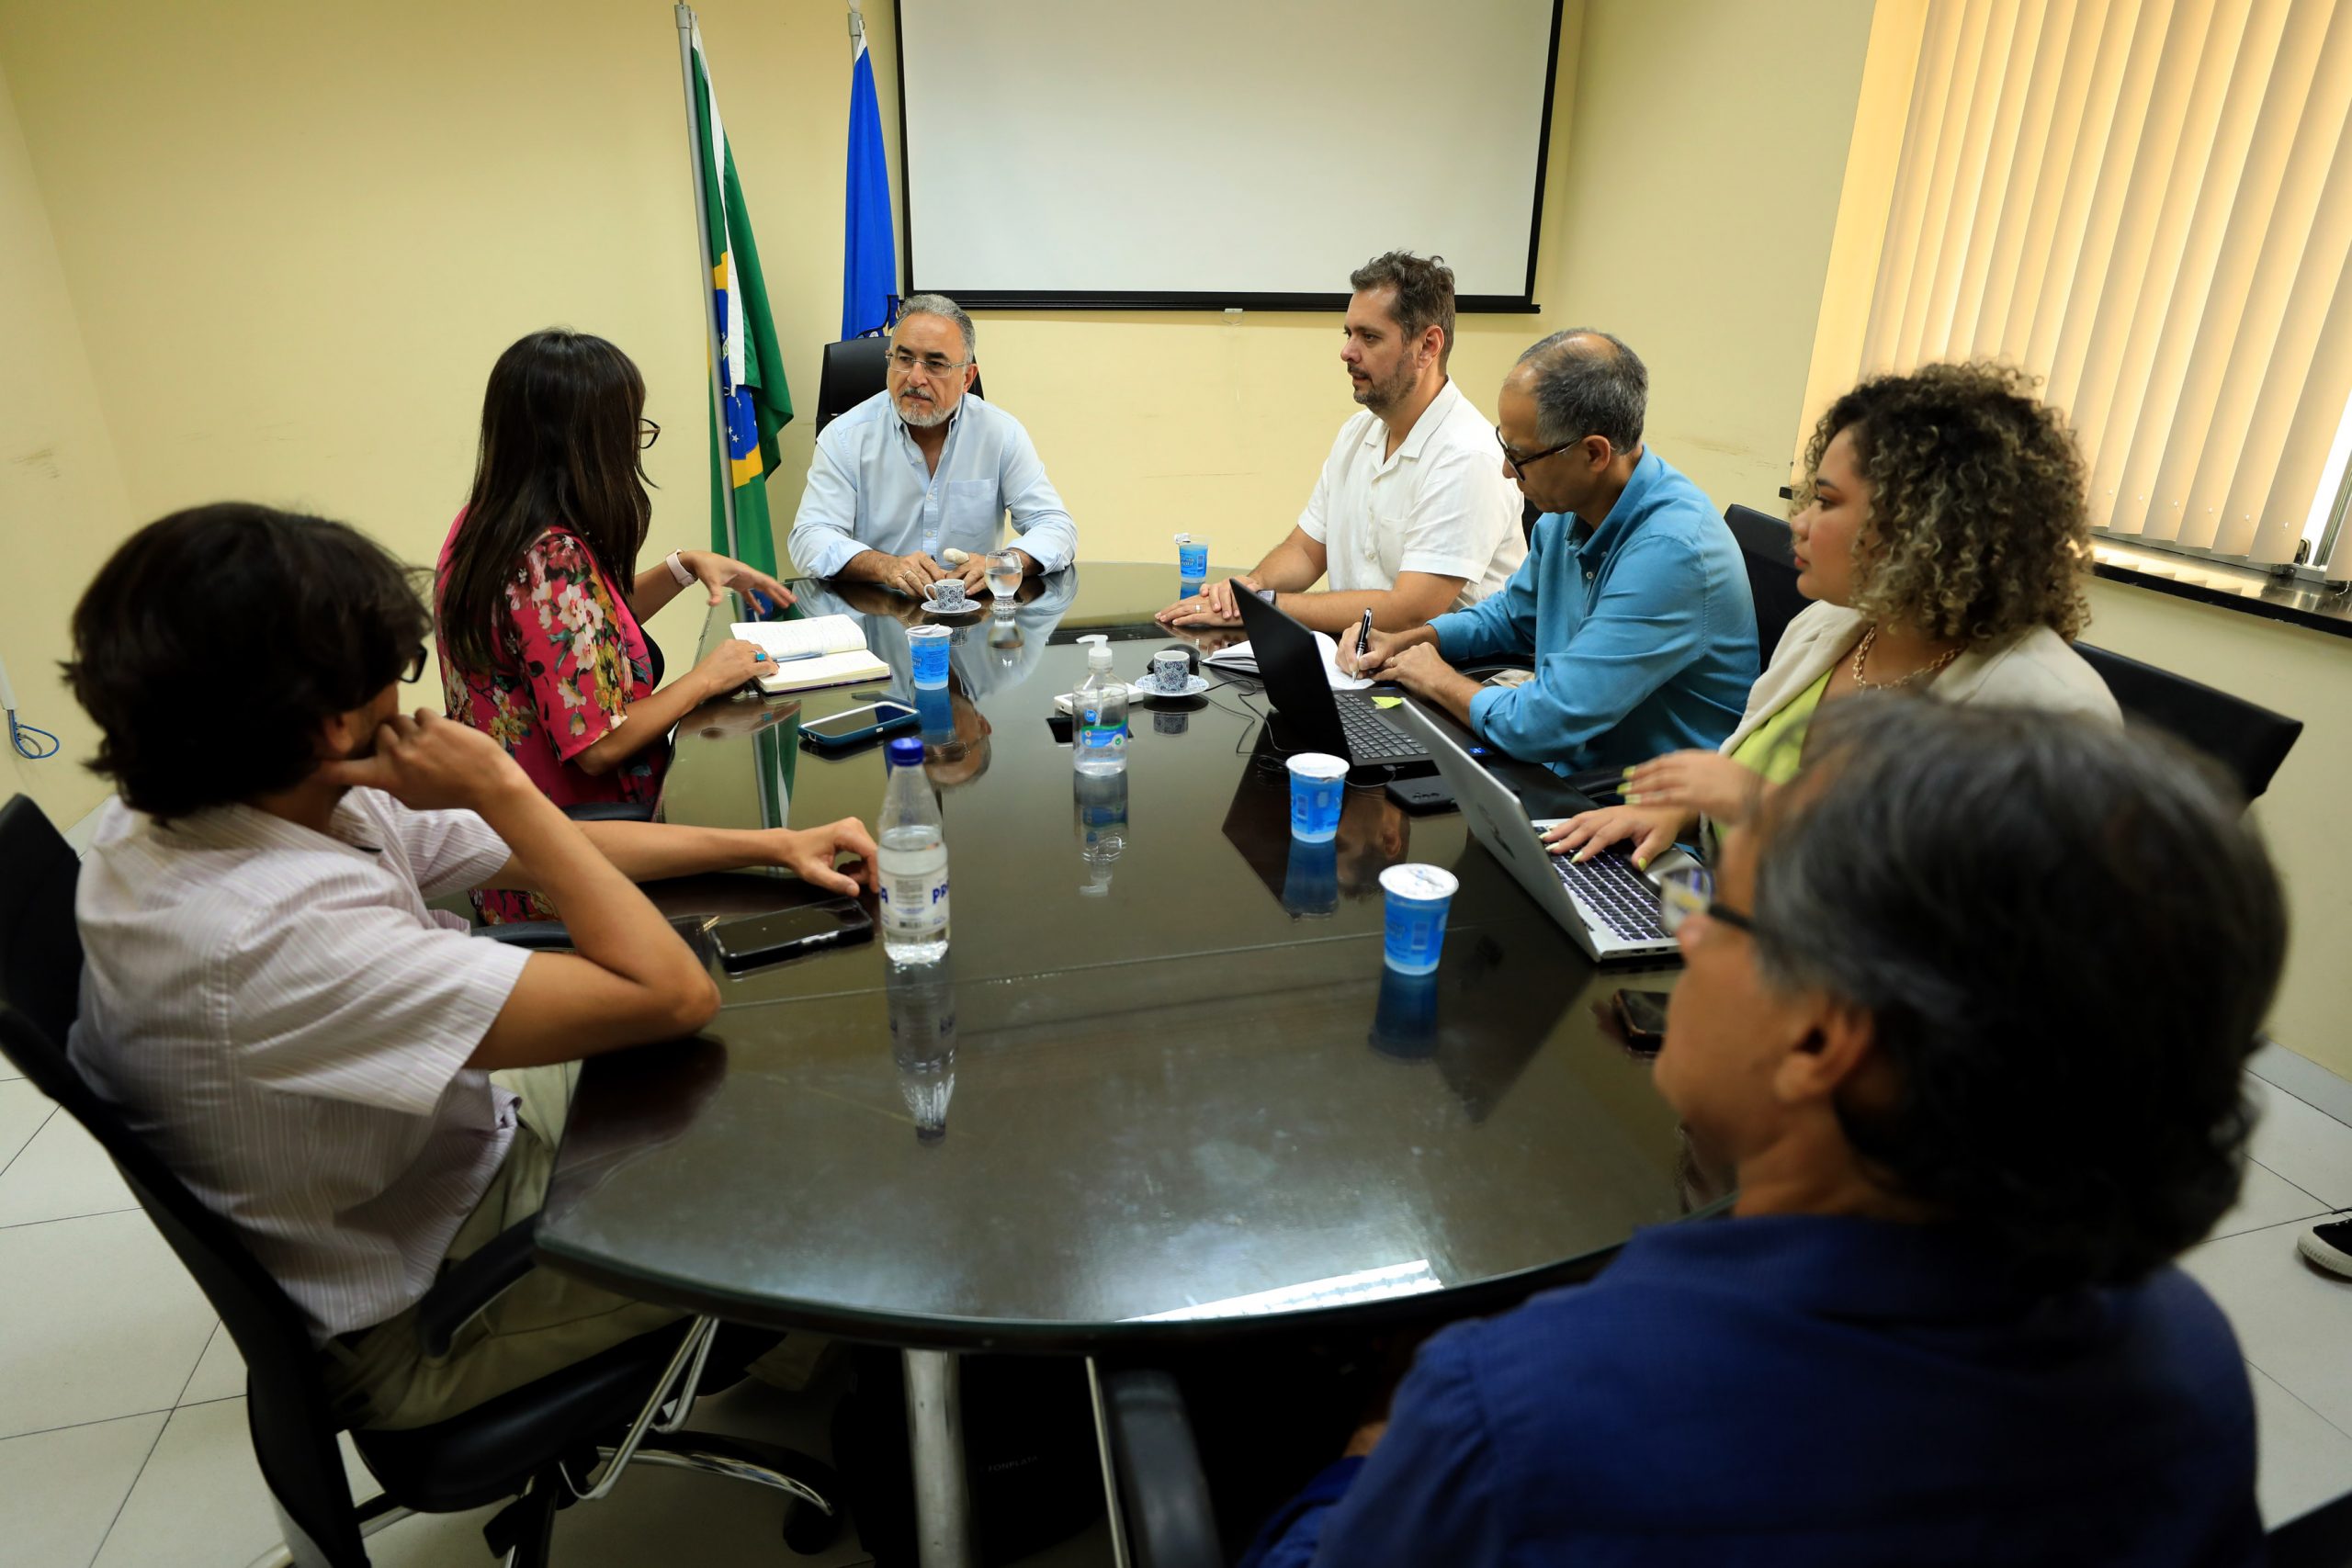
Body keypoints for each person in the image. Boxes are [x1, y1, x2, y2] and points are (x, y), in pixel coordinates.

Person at [1243, 698, 2281, 1566]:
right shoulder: (2190, 1358)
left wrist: (1374, 1448)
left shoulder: (1519, 1414)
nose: (1683, 933)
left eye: (1720, 910)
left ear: (1822, 1034)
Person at [63, 503, 879, 1430]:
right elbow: (671, 995)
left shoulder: (206, 790)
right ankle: (840, 1378)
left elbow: (533, 850)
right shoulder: (260, 936)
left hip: (448, 1148)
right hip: (432, 1309)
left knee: (782, 1075)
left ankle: (789, 1342)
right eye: (397, 674)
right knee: (840, 1184)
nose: (410, 703)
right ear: (332, 725)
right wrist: (497, 781)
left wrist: (774, 844)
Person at [1548, 361, 2120, 870]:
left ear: (1923, 526)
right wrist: (1677, 812)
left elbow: (1976, 933)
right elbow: (1741, 785)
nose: (1798, 522)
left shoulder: (2048, 709)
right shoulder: (1826, 627)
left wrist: (1763, 806)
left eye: (1826, 501)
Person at [436, 329, 797, 922]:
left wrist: (682, 568)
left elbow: (571, 636)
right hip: (577, 863)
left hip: (514, 851)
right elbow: (599, 745)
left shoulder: (482, 527)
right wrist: (706, 678)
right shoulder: (550, 557)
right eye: (630, 428)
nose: (635, 444)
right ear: (583, 442)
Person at [1346, 331, 1757, 775]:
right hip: (1571, 776)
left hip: (1633, 813)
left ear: (1594, 453)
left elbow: (1543, 722)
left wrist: (1437, 677)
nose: (1506, 470)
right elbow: (1513, 617)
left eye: (1520, 457)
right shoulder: (1571, 508)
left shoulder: (1672, 554)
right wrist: (1417, 640)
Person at [1157, 252, 1525, 636]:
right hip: (1361, 666)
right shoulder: (1356, 433)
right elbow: (1305, 550)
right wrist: (1248, 590)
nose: (1347, 352)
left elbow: (1410, 612)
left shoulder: (1468, 453)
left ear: (1428, 346)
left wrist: (1264, 606)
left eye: (1369, 337)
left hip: (1456, 679)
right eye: (1348, 334)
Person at [786, 293, 1078, 596]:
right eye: (904, 358)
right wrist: (885, 566)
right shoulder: (845, 437)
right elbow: (810, 537)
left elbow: (1056, 527)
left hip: (972, 619)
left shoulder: (1000, 433)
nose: (915, 377)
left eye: (935, 364)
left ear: (967, 378)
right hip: (879, 616)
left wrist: (1005, 561)